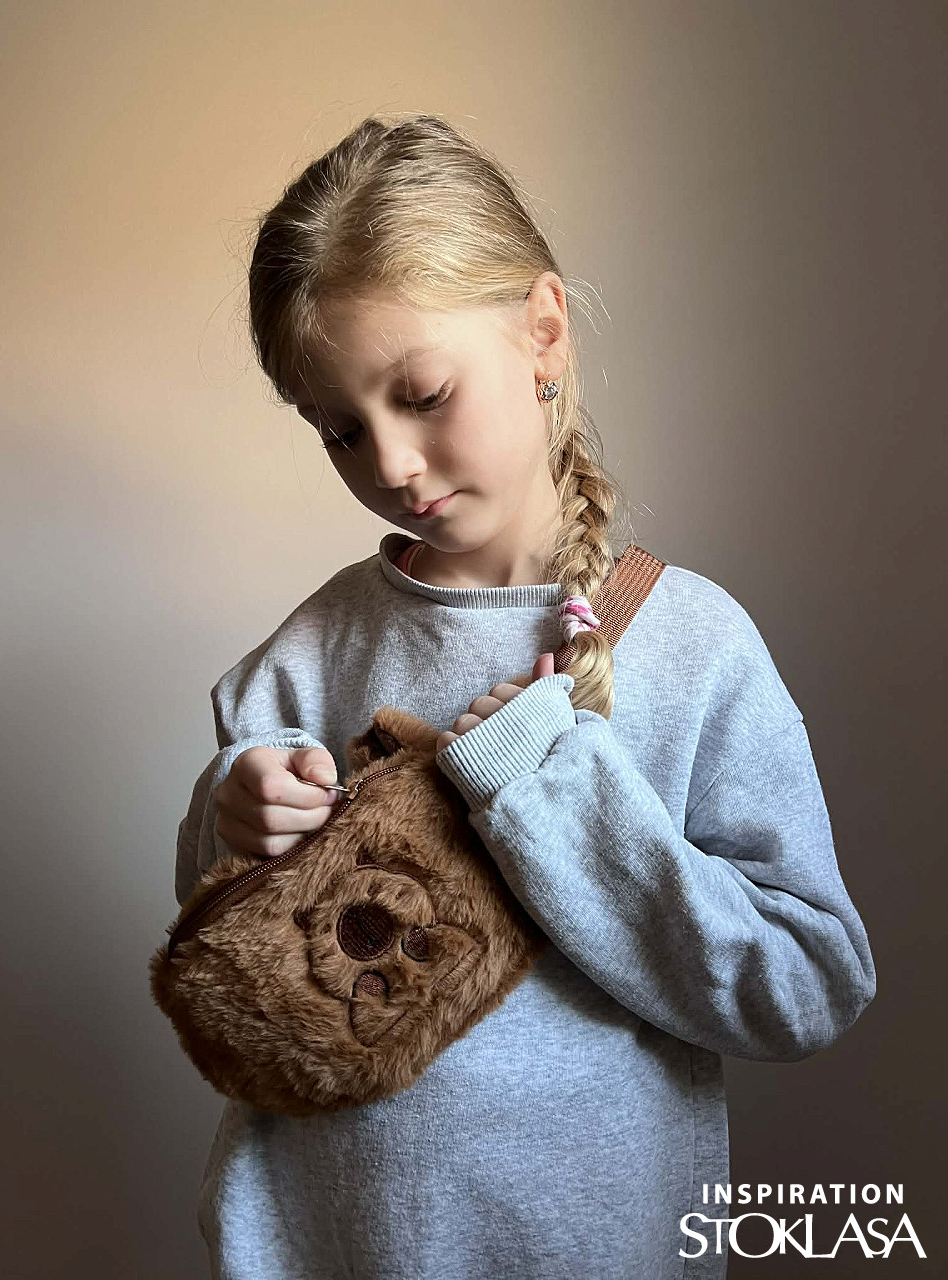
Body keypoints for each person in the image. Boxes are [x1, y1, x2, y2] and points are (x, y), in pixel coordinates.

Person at [172, 112, 876, 1280]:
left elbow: (806, 983)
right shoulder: (305, 652)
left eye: (423, 393)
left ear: (542, 331)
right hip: (325, 1247)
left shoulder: (696, 647)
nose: (390, 463)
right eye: (340, 429)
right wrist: (230, 815)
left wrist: (555, 797)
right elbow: (227, 952)